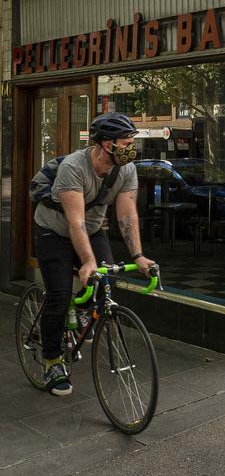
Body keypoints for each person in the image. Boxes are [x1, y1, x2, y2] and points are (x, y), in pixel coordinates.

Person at [33, 112, 156, 396]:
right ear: (105, 144)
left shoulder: (126, 169)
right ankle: (52, 360)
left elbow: (127, 214)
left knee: (107, 280)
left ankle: (82, 311)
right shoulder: (74, 167)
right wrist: (87, 261)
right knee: (59, 295)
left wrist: (137, 255)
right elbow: (74, 220)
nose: (130, 148)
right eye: (125, 142)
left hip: (91, 229)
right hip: (54, 231)